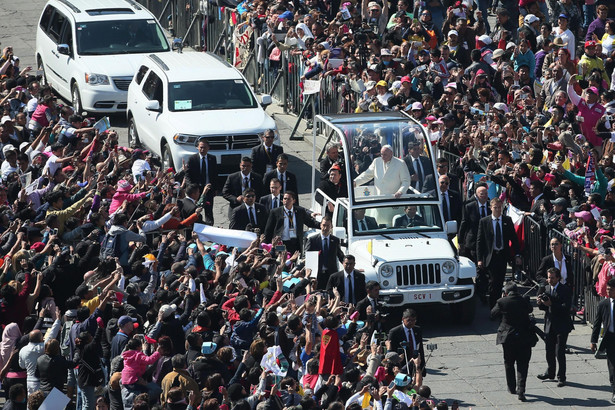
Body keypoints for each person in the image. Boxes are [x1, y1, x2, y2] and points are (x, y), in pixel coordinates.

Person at [490, 282, 534, 401]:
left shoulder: (502, 302)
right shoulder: (524, 300)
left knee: (509, 363)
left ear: (505, 292)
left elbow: (492, 314)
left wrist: (502, 299)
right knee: (523, 364)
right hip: (524, 337)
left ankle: (511, 387)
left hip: (508, 337)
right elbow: (530, 309)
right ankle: (521, 390)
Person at [476, 198, 521, 308]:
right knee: (493, 282)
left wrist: (517, 255)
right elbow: (480, 241)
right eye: (495, 208)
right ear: (490, 208)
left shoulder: (507, 220)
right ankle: (493, 307)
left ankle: (498, 305)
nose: (497, 210)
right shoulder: (484, 221)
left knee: (499, 281)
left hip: (502, 255)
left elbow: (514, 239)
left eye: (499, 207)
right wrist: (479, 259)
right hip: (490, 256)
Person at [537, 267, 573, 387]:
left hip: (562, 325)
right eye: (548, 277)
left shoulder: (565, 290)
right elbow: (544, 308)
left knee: (560, 352)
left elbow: (566, 307)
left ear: (558, 278)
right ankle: (550, 372)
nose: (550, 280)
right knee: (549, 350)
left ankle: (561, 376)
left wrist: (551, 305)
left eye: (552, 278)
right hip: (549, 324)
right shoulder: (546, 288)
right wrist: (540, 303)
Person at [591, 277, 615, 404]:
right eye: (607, 289)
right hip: (610, 338)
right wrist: (593, 341)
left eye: (611, 290)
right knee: (612, 367)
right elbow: (597, 323)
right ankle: (614, 390)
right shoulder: (603, 304)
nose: (608, 292)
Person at [387, 309, 426, 385]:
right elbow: (391, 351)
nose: (411, 322)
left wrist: (422, 366)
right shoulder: (395, 332)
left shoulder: (417, 330)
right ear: (403, 319)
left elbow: (420, 348)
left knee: (416, 384)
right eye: (408, 320)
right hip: (403, 364)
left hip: (415, 361)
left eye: (413, 320)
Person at [304, 216, 344, 289]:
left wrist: (350, 267)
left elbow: (340, 255)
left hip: (331, 274)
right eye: (323, 225)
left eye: (328, 226)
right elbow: (307, 256)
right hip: (317, 275)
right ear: (320, 225)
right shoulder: (312, 240)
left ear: (331, 226)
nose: (325, 228)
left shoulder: (335, 240)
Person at [184, 139, 218, 225]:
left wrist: (215, 188)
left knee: (209, 211)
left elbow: (215, 174)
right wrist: (191, 187)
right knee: (195, 210)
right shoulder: (193, 159)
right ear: (198, 148)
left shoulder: (212, 159)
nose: (202, 150)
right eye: (201, 147)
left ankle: (209, 228)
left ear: (208, 148)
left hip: (208, 190)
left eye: (204, 148)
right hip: (196, 190)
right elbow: (188, 175)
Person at [459, 184, 491, 262]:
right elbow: (464, 223)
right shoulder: (469, 207)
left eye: (486, 193)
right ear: (476, 195)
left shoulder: (491, 206)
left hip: (488, 241)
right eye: (481, 194)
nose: (484, 196)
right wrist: (460, 241)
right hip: (473, 241)